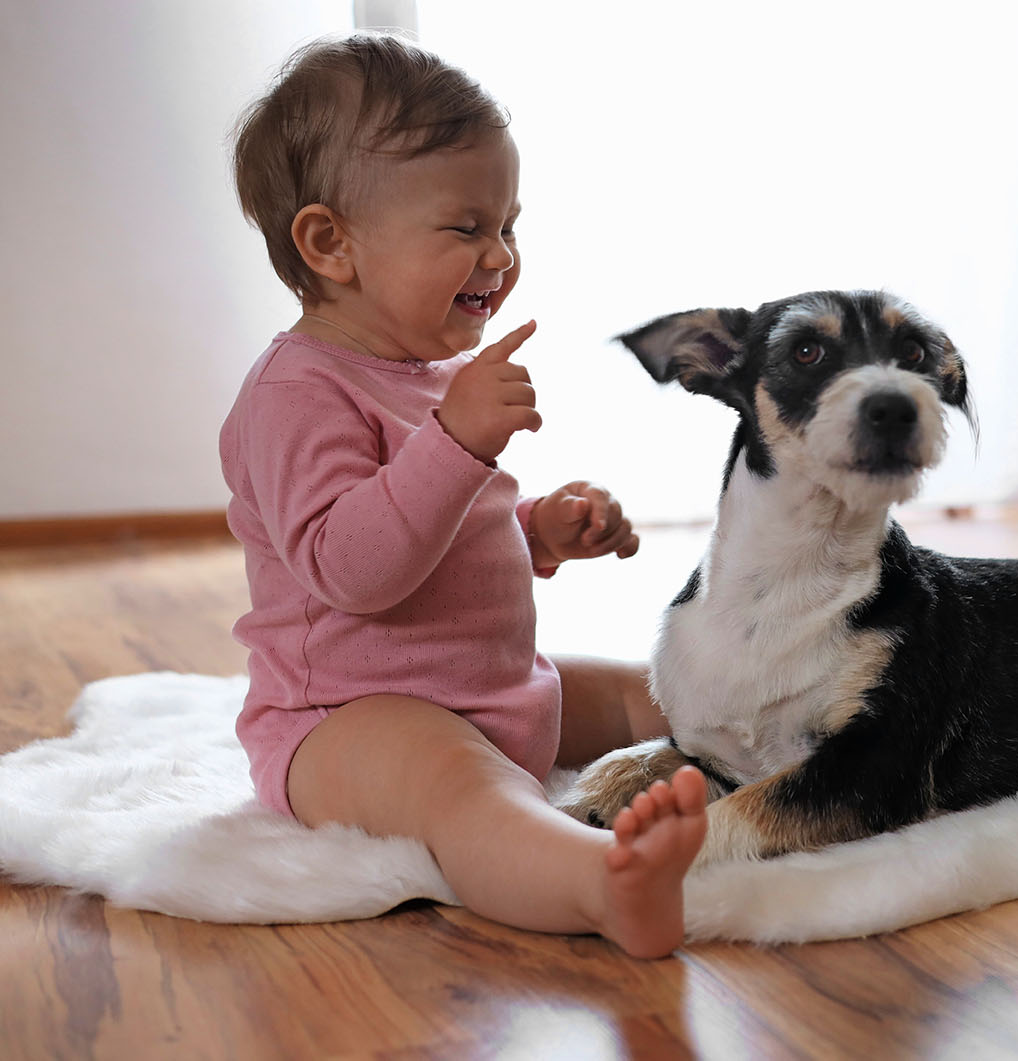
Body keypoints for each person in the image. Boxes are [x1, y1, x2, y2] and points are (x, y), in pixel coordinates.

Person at [220, 33, 706, 959]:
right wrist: (457, 439)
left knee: (652, 687)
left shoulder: (422, 372)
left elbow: (441, 534)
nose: (501, 253)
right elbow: (351, 569)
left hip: (483, 682)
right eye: (466, 227)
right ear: (332, 244)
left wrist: (535, 529)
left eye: (509, 223)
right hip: (349, 721)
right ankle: (600, 882)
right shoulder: (295, 392)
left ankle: (809, 742)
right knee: (465, 794)